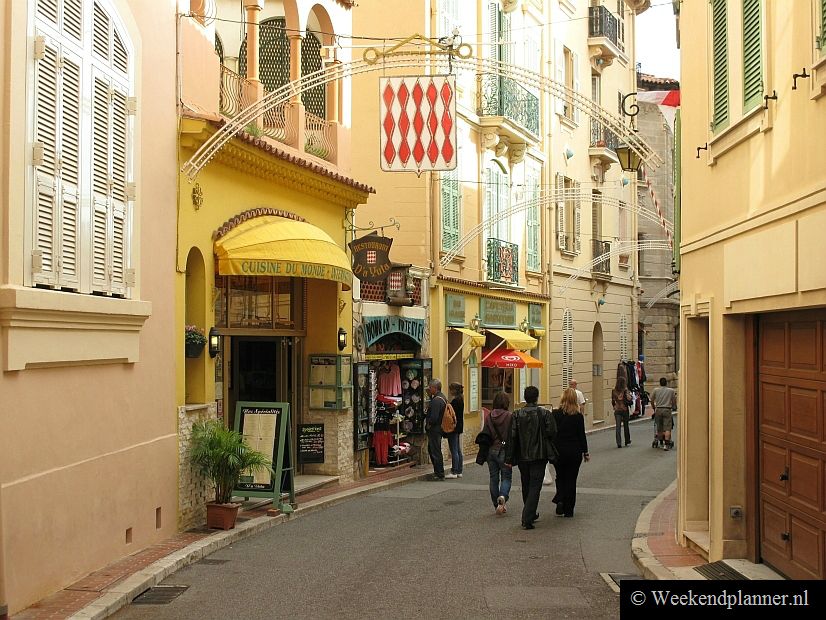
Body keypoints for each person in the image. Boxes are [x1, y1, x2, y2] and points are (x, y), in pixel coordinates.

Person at [505, 386, 557, 530]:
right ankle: (527, 517)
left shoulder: (516, 414)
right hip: (539, 455)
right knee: (535, 486)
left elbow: (512, 437)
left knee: (526, 484)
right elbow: (552, 432)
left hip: (522, 456)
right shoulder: (544, 414)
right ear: (537, 397)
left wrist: (509, 459)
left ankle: (531, 513)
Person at [552, 388, 590, 518]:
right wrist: (585, 452)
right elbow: (581, 435)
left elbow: (552, 433)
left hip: (558, 451)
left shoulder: (555, 414)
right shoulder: (578, 416)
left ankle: (560, 499)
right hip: (574, 451)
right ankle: (569, 509)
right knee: (571, 479)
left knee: (560, 476)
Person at [484, 391, 513, 515]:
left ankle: (497, 504)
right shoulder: (510, 416)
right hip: (504, 450)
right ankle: (503, 496)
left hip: (491, 450)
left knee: (493, 478)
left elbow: (485, 433)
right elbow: (513, 434)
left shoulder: (489, 416)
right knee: (506, 477)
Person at [425, 379, 447, 480]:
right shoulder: (442, 397)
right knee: (434, 449)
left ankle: (439, 473)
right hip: (439, 428)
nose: (429, 389)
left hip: (435, 429)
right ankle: (438, 472)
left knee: (435, 450)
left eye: (430, 387)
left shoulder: (436, 400)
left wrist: (429, 424)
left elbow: (434, 417)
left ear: (435, 388)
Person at [444, 382, 465, 479]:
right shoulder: (461, 399)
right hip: (459, 426)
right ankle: (459, 470)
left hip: (453, 427)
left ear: (454, 390)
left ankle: (454, 471)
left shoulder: (455, 401)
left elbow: (450, 415)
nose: (450, 391)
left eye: (450, 389)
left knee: (454, 450)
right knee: (458, 449)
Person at [651, 377, 677, 450]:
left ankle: (660, 442)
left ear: (660, 383)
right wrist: (674, 406)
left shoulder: (655, 390)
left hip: (658, 409)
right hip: (667, 409)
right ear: (666, 383)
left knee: (659, 427)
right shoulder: (671, 391)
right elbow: (674, 400)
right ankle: (666, 444)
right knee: (667, 428)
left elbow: (652, 400)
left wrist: (654, 407)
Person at [611, 375, 632, 448]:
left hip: (617, 410)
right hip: (624, 409)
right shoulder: (625, 390)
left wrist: (614, 406)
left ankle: (619, 443)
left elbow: (613, 400)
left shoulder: (613, 390)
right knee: (626, 425)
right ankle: (627, 440)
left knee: (618, 427)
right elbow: (629, 399)